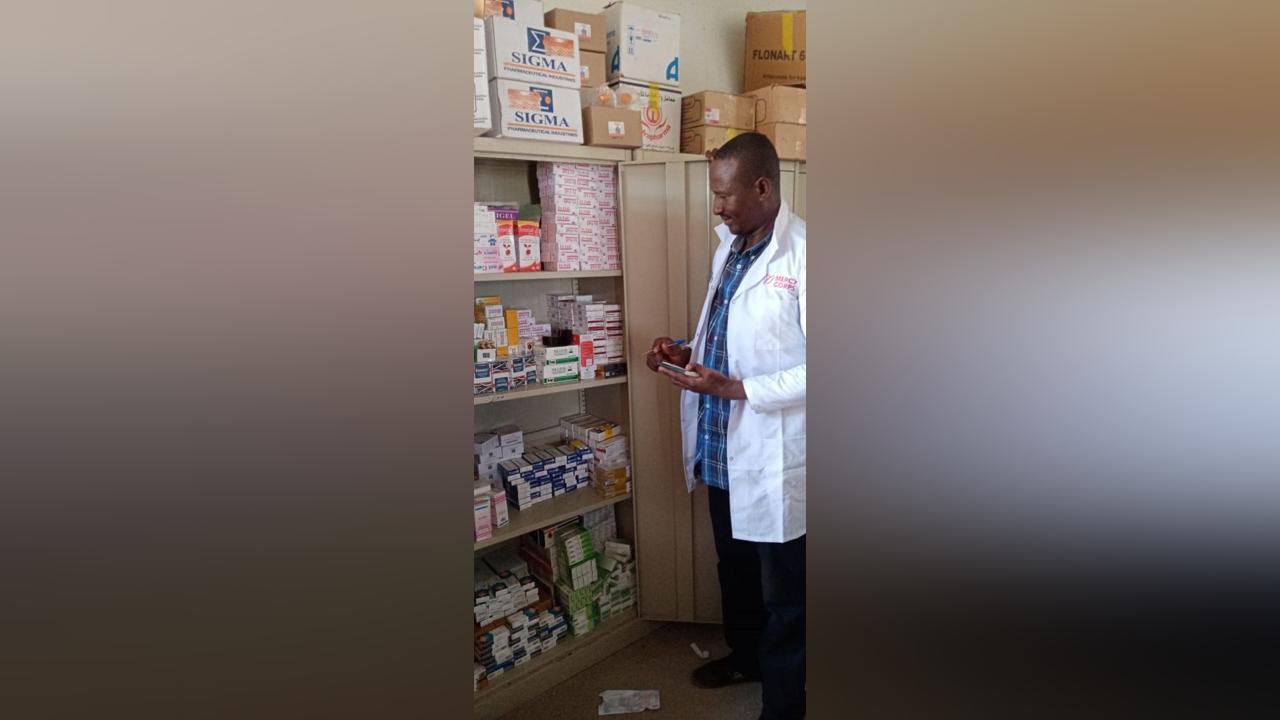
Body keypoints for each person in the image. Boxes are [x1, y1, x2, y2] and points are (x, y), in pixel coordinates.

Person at [647, 132, 806, 720]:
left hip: (772, 453)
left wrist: (736, 389)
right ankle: (745, 657)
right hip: (720, 446)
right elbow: (733, 338)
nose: (716, 207)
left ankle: (785, 704)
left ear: (762, 188)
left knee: (784, 592)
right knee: (734, 569)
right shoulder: (730, 250)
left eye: (724, 194)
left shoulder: (806, 256)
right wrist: (682, 350)